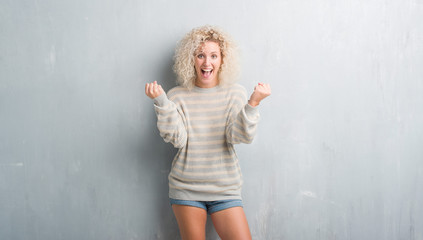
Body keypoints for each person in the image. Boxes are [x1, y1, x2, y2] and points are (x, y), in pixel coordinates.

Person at [145, 25, 271, 240]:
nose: (207, 62)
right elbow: (178, 139)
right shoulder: (177, 96)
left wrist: (253, 103)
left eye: (214, 55)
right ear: (191, 59)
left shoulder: (234, 93)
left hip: (226, 190)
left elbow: (239, 136)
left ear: (222, 60)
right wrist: (162, 102)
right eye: (200, 55)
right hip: (186, 189)